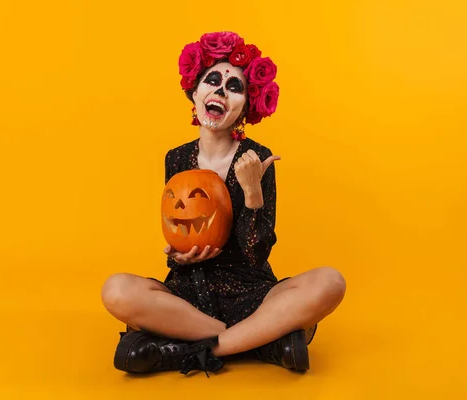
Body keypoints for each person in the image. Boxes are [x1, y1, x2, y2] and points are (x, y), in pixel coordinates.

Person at [101, 31, 346, 377]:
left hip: (251, 295)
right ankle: (265, 342)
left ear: (245, 107)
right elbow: (179, 223)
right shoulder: (177, 158)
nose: (220, 90)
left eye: (234, 87)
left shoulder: (257, 158)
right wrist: (177, 255)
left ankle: (196, 350)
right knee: (117, 290)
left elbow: (257, 254)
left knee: (330, 282)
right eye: (212, 80)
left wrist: (252, 194)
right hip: (189, 293)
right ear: (195, 92)